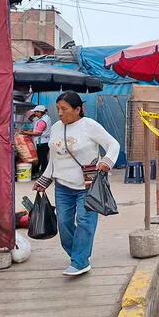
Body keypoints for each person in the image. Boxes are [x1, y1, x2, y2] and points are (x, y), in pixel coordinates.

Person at [33, 92, 120, 276]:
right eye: (58, 109)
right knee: (63, 223)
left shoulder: (89, 126)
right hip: (62, 186)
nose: (60, 113)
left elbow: (113, 144)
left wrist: (106, 161)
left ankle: (80, 262)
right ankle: (79, 255)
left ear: (78, 109)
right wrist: (44, 179)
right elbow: (54, 158)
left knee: (84, 221)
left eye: (64, 109)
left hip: (87, 186)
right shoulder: (56, 128)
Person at [23, 105, 51, 179]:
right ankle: (41, 173)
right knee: (42, 158)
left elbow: (38, 133)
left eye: (36, 112)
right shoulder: (45, 118)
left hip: (41, 142)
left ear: (41, 112)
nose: (35, 113)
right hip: (44, 142)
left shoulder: (42, 121)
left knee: (42, 159)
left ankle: (43, 173)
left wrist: (26, 133)